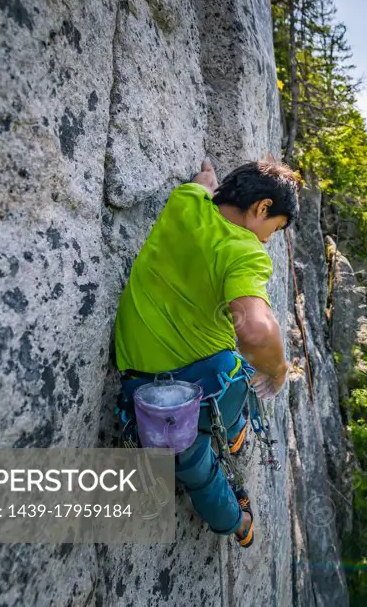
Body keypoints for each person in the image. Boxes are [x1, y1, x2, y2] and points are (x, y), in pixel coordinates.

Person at [113, 158, 299, 547]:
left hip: (138, 387)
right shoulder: (243, 251)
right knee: (243, 368)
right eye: (275, 228)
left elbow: (203, 183)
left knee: (194, 463)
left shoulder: (186, 201)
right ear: (262, 207)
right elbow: (256, 331)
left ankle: (230, 436)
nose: (268, 239)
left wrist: (210, 177)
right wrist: (280, 371)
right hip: (196, 392)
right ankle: (239, 521)